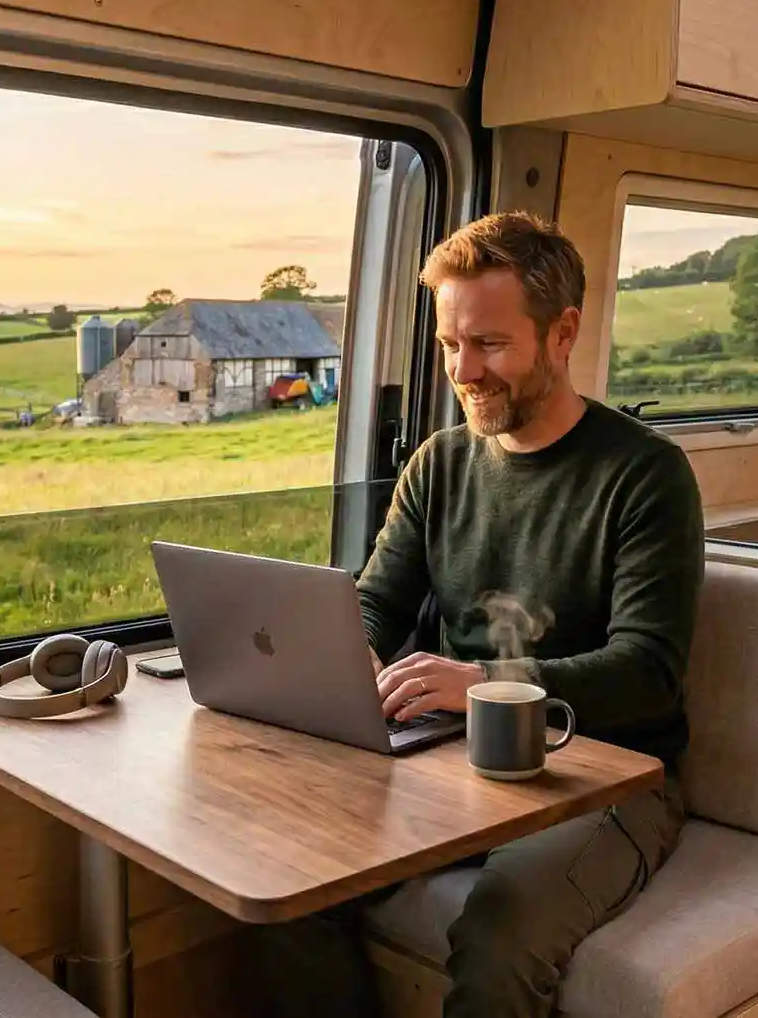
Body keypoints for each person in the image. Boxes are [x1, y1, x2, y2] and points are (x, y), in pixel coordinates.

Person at [247, 210, 705, 1018]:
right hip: (450, 759)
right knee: (283, 879)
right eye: (451, 345)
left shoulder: (646, 476)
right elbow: (375, 602)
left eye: (490, 344)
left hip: (606, 776)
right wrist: (345, 658)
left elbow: (649, 674)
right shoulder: (440, 463)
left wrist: (478, 684)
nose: (466, 370)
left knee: (497, 934)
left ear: (562, 334)